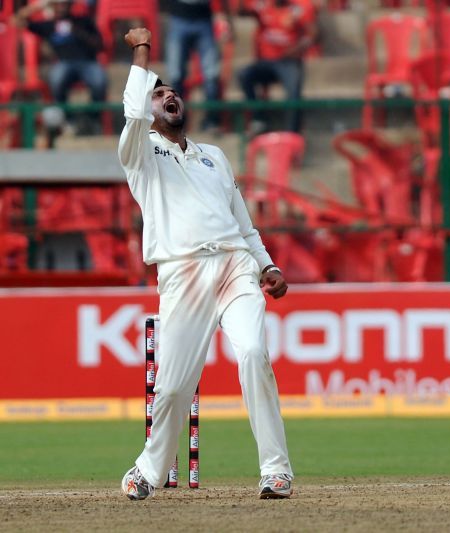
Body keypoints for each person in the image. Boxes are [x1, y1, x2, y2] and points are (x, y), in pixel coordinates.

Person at [118, 27, 294, 501]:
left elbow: (245, 224)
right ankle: (149, 470)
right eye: (159, 93)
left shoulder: (214, 156)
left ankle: (276, 471)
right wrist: (142, 52)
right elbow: (133, 111)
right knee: (174, 388)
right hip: (182, 272)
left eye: (172, 91)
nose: (168, 95)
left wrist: (267, 266)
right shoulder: (140, 155)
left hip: (235, 265)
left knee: (254, 354)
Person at [13, 0, 107, 133]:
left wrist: (77, 32)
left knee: (99, 80)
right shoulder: (50, 25)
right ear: (53, 6)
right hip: (64, 63)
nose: (62, 6)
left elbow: (99, 45)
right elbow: (16, 20)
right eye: (58, 3)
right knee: (57, 78)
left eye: (65, 3)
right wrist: (41, 5)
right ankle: (67, 119)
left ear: (70, 5)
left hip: (87, 62)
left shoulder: (83, 21)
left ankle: (93, 119)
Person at [238, 0, 318, 135]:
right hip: (265, 62)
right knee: (243, 74)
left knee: (294, 87)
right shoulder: (262, 5)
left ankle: (292, 131)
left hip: (288, 62)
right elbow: (242, 12)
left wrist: (298, 48)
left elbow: (314, 33)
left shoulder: (299, 8)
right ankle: (258, 118)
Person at [162, 0, 233, 131]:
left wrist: (226, 19)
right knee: (176, 75)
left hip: (204, 20)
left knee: (211, 75)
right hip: (178, 17)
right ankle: (176, 120)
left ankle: (212, 121)